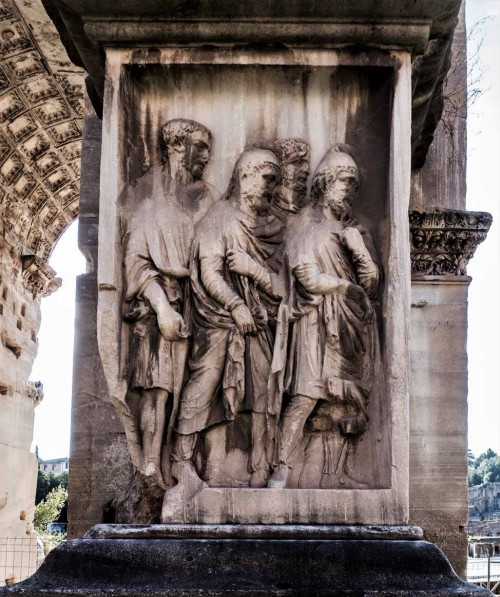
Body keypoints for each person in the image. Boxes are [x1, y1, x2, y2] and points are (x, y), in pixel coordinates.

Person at [169, 147, 283, 493]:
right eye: (266, 179)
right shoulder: (219, 218)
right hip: (218, 319)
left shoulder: (275, 226)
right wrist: (235, 306)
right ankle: (182, 461)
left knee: (264, 391)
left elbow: (284, 280)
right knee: (207, 383)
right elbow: (209, 273)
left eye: (275, 181)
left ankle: (261, 466)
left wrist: (256, 279)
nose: (271, 188)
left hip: (263, 321)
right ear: (246, 175)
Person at [267, 143, 381, 489]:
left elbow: (372, 284)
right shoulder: (305, 224)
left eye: (352, 184)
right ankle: (281, 469)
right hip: (314, 320)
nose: (348, 190)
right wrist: (344, 288)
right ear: (324, 182)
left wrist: (358, 251)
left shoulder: (356, 231)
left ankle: (337, 475)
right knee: (305, 396)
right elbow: (305, 275)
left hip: (350, 324)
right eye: (343, 181)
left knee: (345, 402)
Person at [120, 118, 215, 488]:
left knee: (187, 389)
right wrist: (162, 308)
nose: (206, 157)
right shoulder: (148, 203)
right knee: (157, 390)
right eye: (200, 147)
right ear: (177, 147)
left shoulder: (207, 199)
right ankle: (149, 464)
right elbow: (137, 264)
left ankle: (182, 462)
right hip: (159, 306)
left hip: (198, 305)